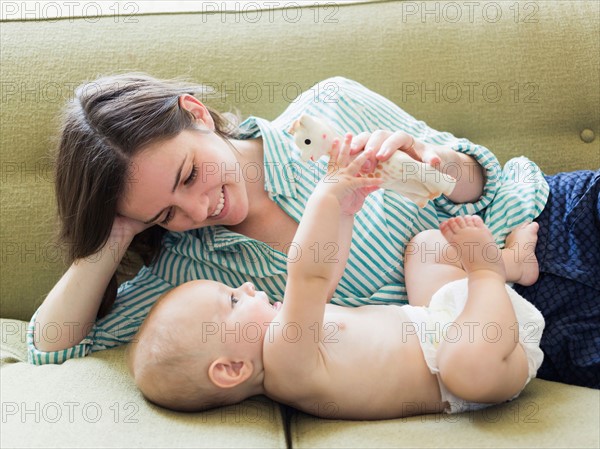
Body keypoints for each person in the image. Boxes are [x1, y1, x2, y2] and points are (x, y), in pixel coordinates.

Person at [27, 74, 597, 389]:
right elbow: (50, 349)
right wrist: (117, 230)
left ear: (197, 114)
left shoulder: (332, 105)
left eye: (189, 174)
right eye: (165, 213)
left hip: (552, 220)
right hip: (514, 337)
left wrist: (434, 161)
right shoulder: (188, 276)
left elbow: (482, 180)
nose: (198, 210)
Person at [126, 137, 544, 418]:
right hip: (480, 361)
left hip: (442, 317)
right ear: (232, 369)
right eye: (233, 300)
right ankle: (489, 274)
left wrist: (346, 212)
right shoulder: (288, 367)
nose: (249, 288)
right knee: (464, 368)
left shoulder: (292, 346)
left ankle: (512, 263)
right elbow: (308, 275)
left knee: (425, 247)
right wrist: (330, 192)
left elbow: (325, 274)